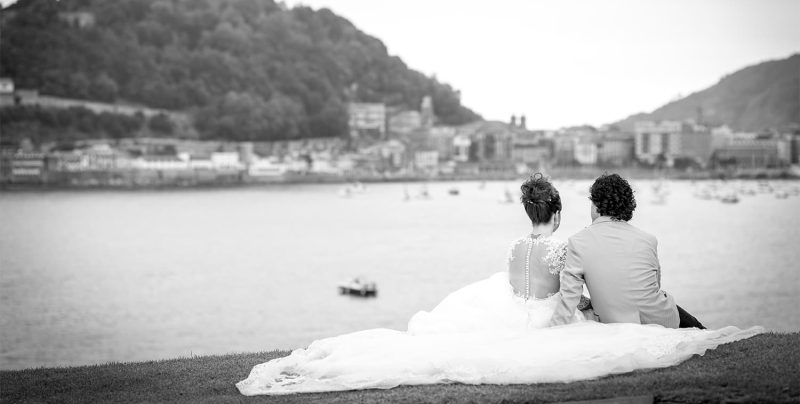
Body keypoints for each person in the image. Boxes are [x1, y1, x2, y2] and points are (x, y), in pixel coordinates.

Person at [236, 174, 761, 396]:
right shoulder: (573, 245)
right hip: (573, 311)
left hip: (518, 309)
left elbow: (527, 290)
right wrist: (572, 316)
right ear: (554, 211)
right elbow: (570, 292)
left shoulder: (523, 247)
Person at [549, 173, 705, 329]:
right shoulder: (648, 240)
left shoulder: (577, 242)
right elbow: (654, 285)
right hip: (662, 318)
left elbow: (568, 300)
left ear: (596, 206)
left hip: (618, 323)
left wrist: (547, 334)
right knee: (697, 327)